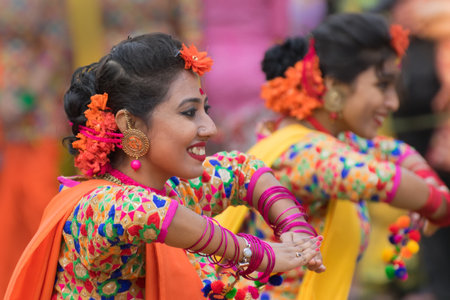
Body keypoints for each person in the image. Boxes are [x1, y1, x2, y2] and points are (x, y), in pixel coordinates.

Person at [5, 33, 326, 300]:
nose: (210, 127)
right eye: (189, 113)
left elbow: (244, 170)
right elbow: (148, 213)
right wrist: (258, 254)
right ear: (131, 123)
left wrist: (296, 232)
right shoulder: (96, 205)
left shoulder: (172, 188)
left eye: (206, 110)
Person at [217, 13, 450, 300]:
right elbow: (384, 180)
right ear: (336, 88)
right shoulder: (305, 154)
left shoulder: (328, 139)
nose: (393, 102)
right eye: (382, 85)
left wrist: (431, 188)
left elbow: (397, 151)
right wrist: (439, 205)